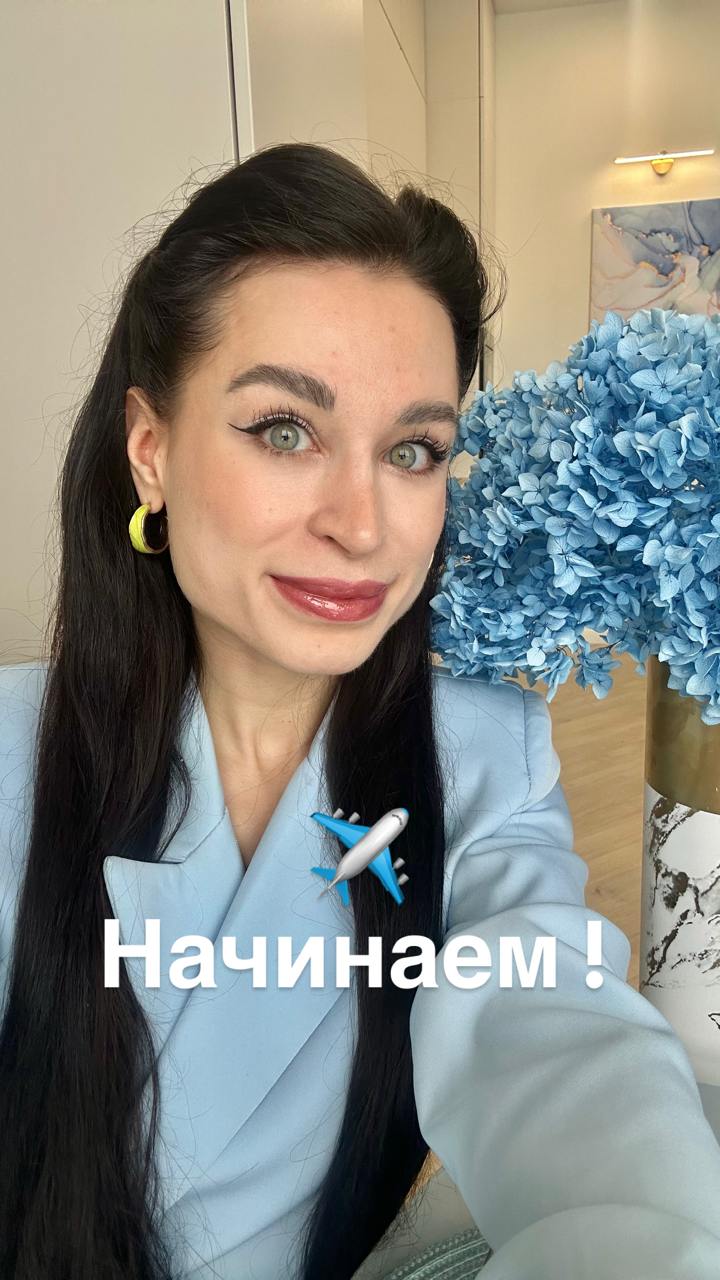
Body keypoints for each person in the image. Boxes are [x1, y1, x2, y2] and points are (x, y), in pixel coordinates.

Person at [1, 142, 719, 1280]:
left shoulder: (478, 754)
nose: (364, 523)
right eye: (285, 429)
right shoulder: (12, 754)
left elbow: (557, 1040)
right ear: (151, 451)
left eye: (414, 450)